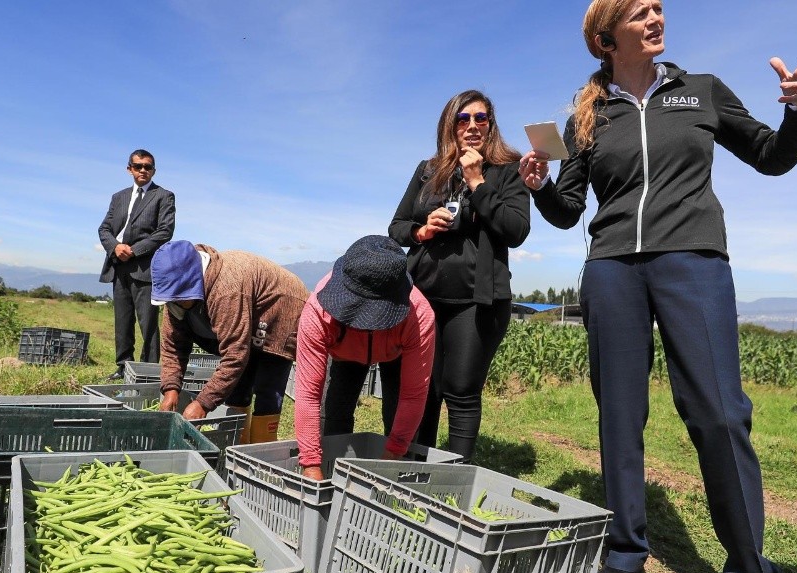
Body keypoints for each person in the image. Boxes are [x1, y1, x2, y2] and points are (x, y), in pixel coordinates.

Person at [519, 0, 797, 573]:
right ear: (607, 36)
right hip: (611, 270)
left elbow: (771, 156)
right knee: (619, 415)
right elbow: (569, 210)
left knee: (718, 412)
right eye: (641, 11)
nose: (658, 16)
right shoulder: (585, 113)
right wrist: (541, 183)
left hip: (694, 262)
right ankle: (625, 553)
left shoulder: (701, 90)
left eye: (659, 7)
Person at [388, 90, 531, 462]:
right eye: (462, 119)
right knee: (423, 388)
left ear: (490, 125)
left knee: (461, 388)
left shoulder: (507, 171)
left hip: (475, 300)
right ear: (449, 126)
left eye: (480, 119)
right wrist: (421, 230)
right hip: (422, 297)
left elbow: (515, 230)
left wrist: (476, 181)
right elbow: (397, 226)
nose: (471, 127)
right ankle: (416, 470)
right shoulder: (428, 171)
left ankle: (457, 480)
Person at [293, 235, 436, 480]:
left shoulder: (418, 315)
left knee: (396, 417)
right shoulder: (318, 310)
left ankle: (400, 480)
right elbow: (307, 393)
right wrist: (311, 465)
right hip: (344, 352)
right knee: (335, 412)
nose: (365, 324)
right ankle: (332, 472)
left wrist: (392, 457)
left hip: (395, 352)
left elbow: (413, 395)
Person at [150, 240, 308, 444]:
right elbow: (173, 347)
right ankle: (237, 451)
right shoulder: (175, 297)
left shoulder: (226, 288)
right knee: (238, 389)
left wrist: (203, 403)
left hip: (282, 311)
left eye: (179, 298)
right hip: (247, 316)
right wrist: (170, 389)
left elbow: (234, 356)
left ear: (193, 281)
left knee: (267, 389)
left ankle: (261, 456)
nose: (175, 303)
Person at [98, 150, 176, 380]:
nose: (143, 170)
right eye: (138, 166)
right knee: (122, 321)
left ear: (154, 170)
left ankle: (149, 371)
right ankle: (123, 366)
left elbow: (165, 231)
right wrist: (115, 247)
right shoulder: (118, 197)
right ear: (129, 168)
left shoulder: (163, 196)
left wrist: (133, 250)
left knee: (148, 323)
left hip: (145, 267)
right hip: (118, 265)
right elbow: (104, 229)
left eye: (148, 167)